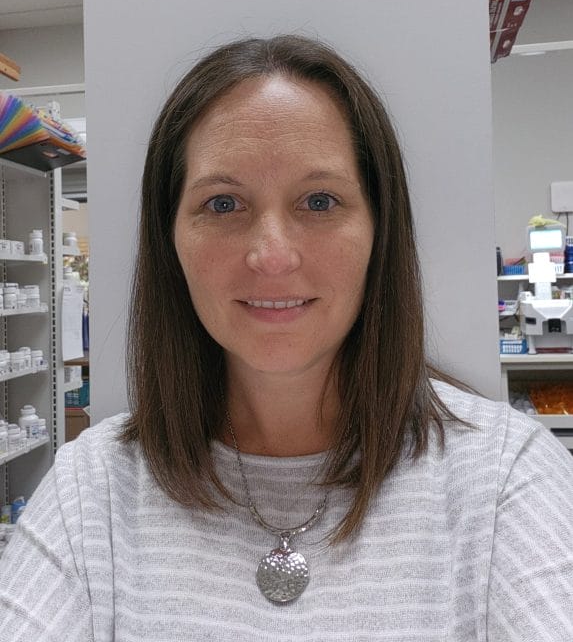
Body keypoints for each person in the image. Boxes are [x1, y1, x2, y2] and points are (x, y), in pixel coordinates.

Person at [1, 35, 572, 641]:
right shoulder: (95, 487)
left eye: (319, 201)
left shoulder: (503, 476)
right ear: (171, 240)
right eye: (223, 203)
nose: (272, 256)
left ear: (381, 229)